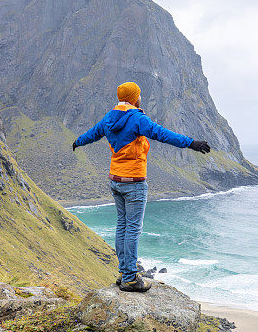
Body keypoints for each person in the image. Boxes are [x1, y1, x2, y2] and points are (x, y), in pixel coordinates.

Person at [72, 81, 210, 292]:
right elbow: (162, 133)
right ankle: (129, 278)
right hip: (134, 183)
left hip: (115, 180)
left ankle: (123, 271)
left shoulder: (109, 117)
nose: (140, 98)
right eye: (139, 95)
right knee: (133, 229)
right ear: (134, 98)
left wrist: (78, 142)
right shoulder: (136, 118)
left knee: (122, 226)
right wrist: (192, 143)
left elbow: (92, 133)